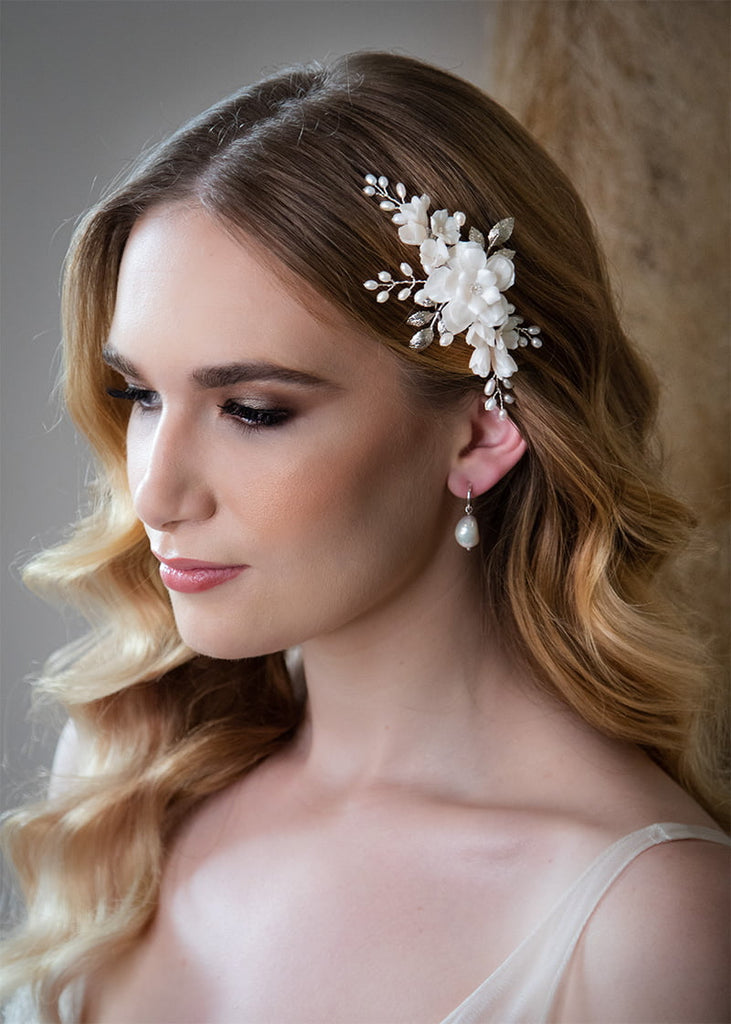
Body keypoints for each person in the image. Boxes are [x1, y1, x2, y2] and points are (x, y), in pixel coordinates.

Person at [1, 51, 728, 1024]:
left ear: (479, 432)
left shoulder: (645, 924)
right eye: (140, 394)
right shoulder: (126, 780)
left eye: (251, 409)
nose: (154, 492)